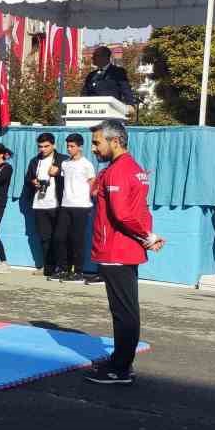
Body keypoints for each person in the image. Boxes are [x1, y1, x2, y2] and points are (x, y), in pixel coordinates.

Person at [85, 121, 163, 385]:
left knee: (124, 311)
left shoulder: (119, 171)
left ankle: (120, 368)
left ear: (115, 141)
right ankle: (119, 359)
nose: (94, 148)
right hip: (123, 248)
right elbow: (140, 210)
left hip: (116, 249)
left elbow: (123, 214)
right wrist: (147, 236)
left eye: (97, 142)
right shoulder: (132, 169)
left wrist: (147, 236)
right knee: (124, 309)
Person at [55, 134, 97, 282]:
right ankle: (63, 269)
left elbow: (93, 184)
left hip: (81, 206)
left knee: (77, 239)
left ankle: (78, 272)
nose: (69, 148)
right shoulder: (65, 164)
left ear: (80, 147)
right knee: (60, 237)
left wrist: (92, 197)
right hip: (66, 205)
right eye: (68, 146)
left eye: (72, 146)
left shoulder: (87, 164)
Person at [23, 133, 65, 278]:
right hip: (40, 204)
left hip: (58, 204)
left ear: (53, 145)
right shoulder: (34, 161)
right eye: (40, 146)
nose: (43, 149)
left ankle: (63, 267)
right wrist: (33, 182)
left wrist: (58, 173)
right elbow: (28, 178)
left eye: (46, 146)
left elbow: (72, 179)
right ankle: (48, 267)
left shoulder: (62, 160)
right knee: (44, 238)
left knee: (59, 238)